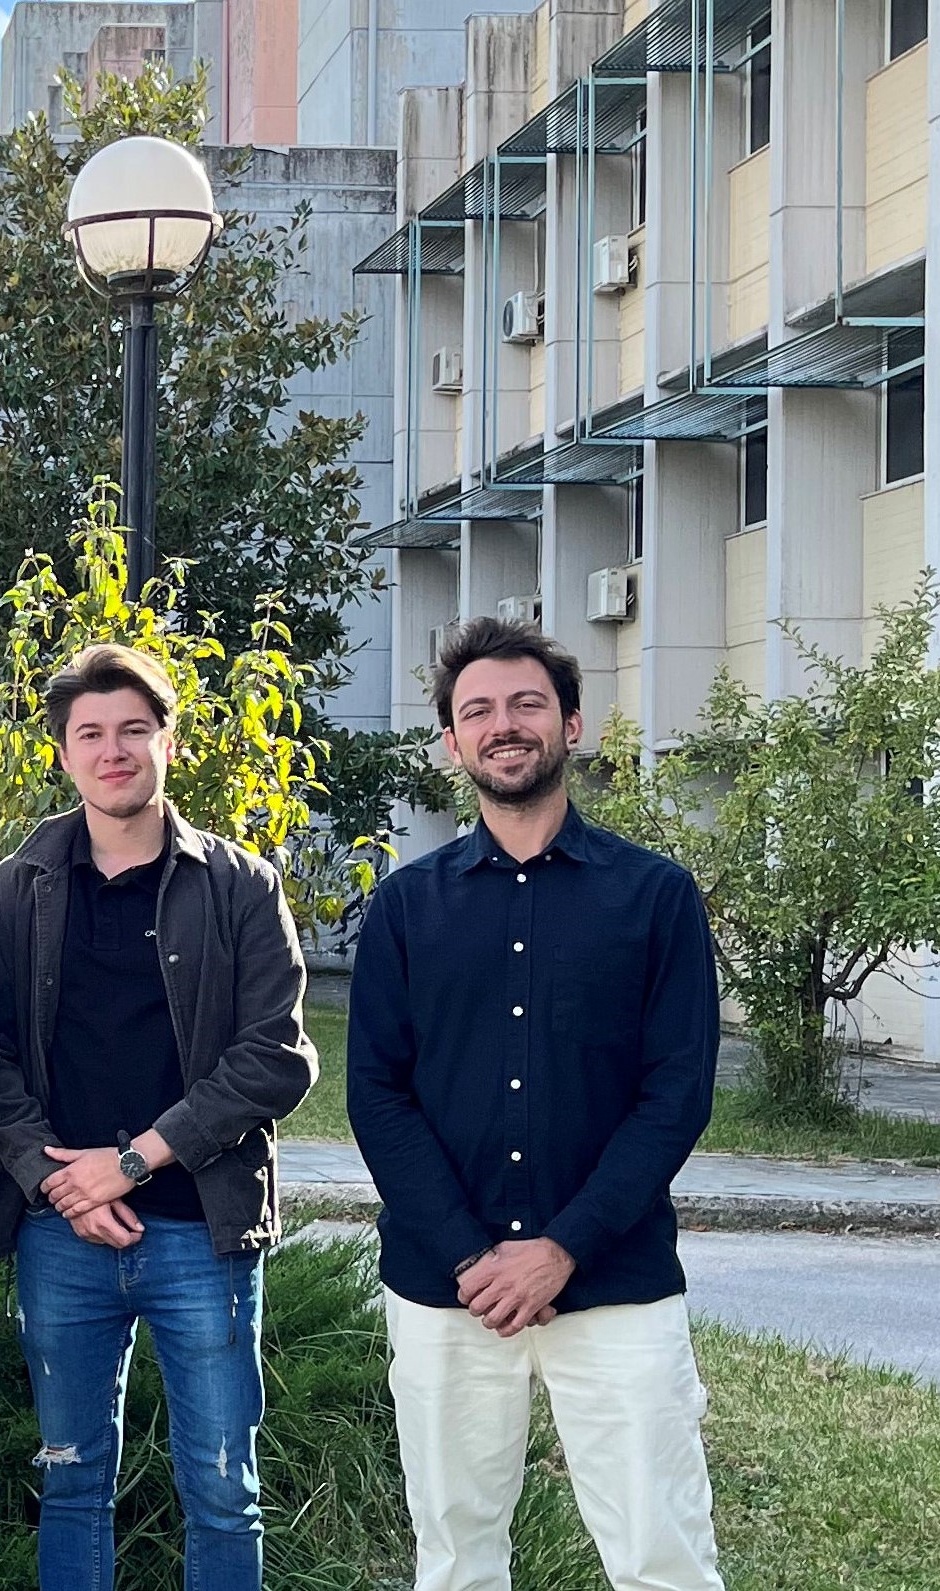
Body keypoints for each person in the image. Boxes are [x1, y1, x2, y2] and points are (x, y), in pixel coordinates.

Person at [348, 618, 723, 1591]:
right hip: (447, 1289)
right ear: (452, 742)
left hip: (616, 1278)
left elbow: (676, 1093)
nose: (503, 724)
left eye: (526, 703)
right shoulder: (405, 907)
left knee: (663, 1556)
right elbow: (377, 1096)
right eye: (478, 710)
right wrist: (473, 1257)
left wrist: (562, 1247)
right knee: (456, 1560)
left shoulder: (656, 897)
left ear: (572, 723)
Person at [0, 644, 317, 1591]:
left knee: (223, 1488)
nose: (112, 750)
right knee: (72, 1484)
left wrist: (131, 1161)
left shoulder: (240, 885)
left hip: (202, 1229)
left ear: (169, 739)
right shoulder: (9, 891)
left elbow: (278, 1057)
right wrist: (56, 1180)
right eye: (90, 734)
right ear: (63, 753)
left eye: (132, 729)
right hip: (62, 1234)